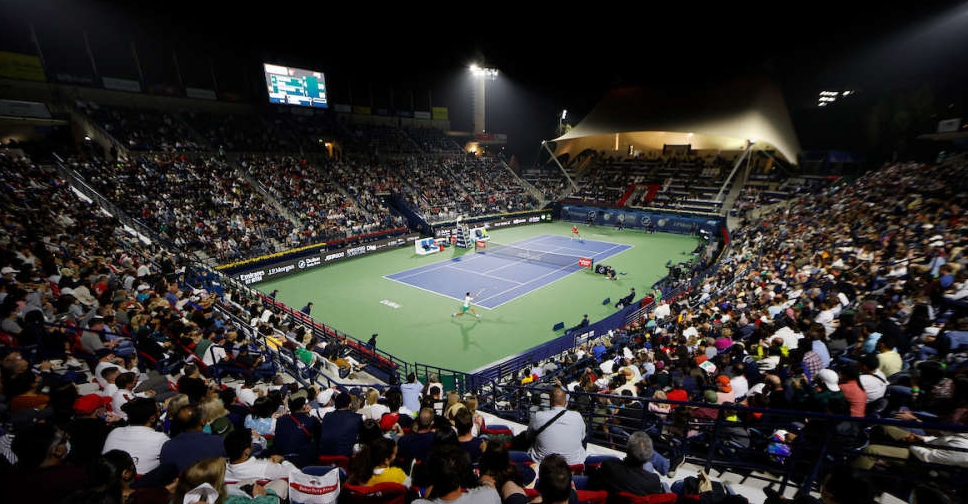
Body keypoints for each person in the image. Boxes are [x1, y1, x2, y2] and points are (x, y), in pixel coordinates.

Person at [528, 386, 587, 465]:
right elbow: (582, 437)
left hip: (543, 464)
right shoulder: (577, 416)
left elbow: (528, 437)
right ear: (566, 402)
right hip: (573, 464)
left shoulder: (538, 416)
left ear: (550, 401)